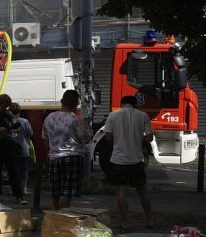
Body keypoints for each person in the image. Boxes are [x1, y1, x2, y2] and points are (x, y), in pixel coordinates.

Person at [104, 95, 154, 229]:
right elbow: (149, 137)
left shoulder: (112, 116)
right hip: (136, 159)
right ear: (135, 105)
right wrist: (139, 139)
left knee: (121, 190)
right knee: (142, 191)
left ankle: (126, 222)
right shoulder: (143, 116)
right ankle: (149, 220)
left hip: (118, 159)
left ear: (121, 104)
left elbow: (108, 137)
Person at [41, 90, 93, 209]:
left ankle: (56, 215)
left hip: (54, 157)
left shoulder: (49, 118)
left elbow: (45, 139)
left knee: (56, 191)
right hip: (72, 157)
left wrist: (50, 153)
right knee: (66, 191)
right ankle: (63, 216)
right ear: (76, 103)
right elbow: (85, 139)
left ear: (62, 101)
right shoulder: (76, 120)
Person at [9, 102, 34, 197]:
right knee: (24, 170)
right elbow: (30, 134)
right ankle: (24, 189)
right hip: (23, 148)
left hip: (10, 149)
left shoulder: (8, 121)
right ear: (19, 111)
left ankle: (14, 189)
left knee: (13, 171)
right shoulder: (24, 121)